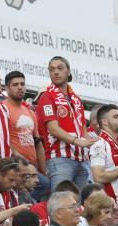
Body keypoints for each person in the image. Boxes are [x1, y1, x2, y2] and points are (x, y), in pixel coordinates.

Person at [38, 56, 95, 190]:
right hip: (60, 157)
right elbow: (53, 129)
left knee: (80, 205)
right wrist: (77, 141)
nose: (56, 72)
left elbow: (83, 131)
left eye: (60, 68)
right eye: (52, 70)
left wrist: (94, 142)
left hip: (82, 159)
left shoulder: (76, 99)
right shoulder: (47, 97)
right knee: (61, 200)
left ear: (69, 72)